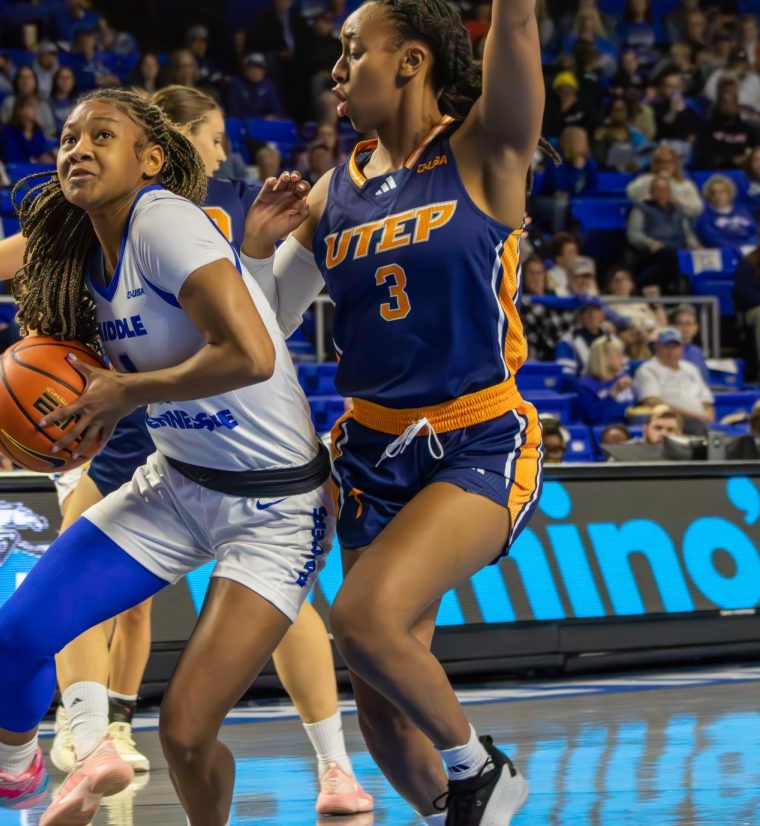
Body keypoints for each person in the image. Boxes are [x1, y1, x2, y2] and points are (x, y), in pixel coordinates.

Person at [0, 88, 338, 826]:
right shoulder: (79, 241)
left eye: (102, 135)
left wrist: (123, 392)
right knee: (17, 636)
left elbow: (254, 354)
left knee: (187, 731)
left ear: (151, 160)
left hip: (274, 505)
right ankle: (11, 767)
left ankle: (326, 767)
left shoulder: (164, 220)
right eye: (69, 137)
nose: (78, 148)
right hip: (176, 482)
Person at [232, 0, 560, 820]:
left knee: (363, 618)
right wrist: (254, 252)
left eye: (353, 51)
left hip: (477, 440)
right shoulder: (328, 193)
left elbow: (517, 31)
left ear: (410, 60)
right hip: (372, 454)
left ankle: (482, 773)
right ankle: (462, 808)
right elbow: (261, 326)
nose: (336, 71)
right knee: (377, 695)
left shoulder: (484, 149)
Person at [41, 84, 369, 815]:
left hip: (217, 425)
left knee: (263, 618)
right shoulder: (121, 208)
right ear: (176, 142)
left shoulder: (218, 210)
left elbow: (260, 330)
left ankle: (102, 734)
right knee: (89, 584)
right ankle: (99, 734)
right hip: (147, 417)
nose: (225, 150)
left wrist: (256, 251)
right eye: (216, 136)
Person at [633, 326, 715, 434]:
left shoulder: (691, 368)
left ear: (682, 349)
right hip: (669, 420)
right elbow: (652, 402)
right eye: (667, 347)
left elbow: (706, 400)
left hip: (699, 420)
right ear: (657, 347)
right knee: (696, 427)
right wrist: (695, 415)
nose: (671, 351)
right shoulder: (648, 369)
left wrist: (708, 415)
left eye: (675, 347)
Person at [627, 176, 699, 294]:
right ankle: (673, 292)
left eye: (665, 189)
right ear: (651, 192)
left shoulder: (677, 209)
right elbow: (634, 234)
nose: (662, 192)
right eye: (658, 189)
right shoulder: (642, 209)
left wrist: (695, 246)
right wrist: (649, 243)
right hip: (654, 252)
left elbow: (687, 233)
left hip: (678, 249)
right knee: (669, 256)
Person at [625, 145, 702, 218]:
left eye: (669, 161)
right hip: (650, 221)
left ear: (675, 164)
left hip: (678, 222)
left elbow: (696, 209)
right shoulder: (645, 179)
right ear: (655, 164)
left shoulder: (686, 184)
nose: (665, 165)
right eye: (660, 162)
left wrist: (676, 201)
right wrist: (654, 181)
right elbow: (631, 194)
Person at [578, 336, 634, 426]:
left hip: (627, 428)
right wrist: (613, 392)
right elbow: (593, 418)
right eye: (618, 354)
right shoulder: (587, 384)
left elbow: (629, 408)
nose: (623, 359)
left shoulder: (623, 377)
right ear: (604, 357)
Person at [696, 174, 756, 252]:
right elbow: (712, 239)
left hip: (748, 250)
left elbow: (753, 232)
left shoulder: (742, 211)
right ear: (709, 195)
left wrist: (749, 246)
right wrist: (738, 248)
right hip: (725, 253)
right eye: (714, 193)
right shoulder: (705, 217)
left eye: (722, 192)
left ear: (729, 192)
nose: (718, 196)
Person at [556, 296, 608, 380]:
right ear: (579, 316)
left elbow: (623, 367)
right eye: (586, 310)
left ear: (602, 314)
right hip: (584, 386)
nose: (592, 314)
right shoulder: (567, 342)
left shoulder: (611, 338)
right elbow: (566, 375)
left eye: (596, 309)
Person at [0, 67, 58, 138]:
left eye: (29, 77)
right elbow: (4, 127)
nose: (26, 81)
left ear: (35, 82)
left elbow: (50, 130)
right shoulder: (9, 102)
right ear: (17, 81)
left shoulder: (43, 104)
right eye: (22, 77)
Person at [226, 53, 285, 120]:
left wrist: (272, 117)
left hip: (264, 125)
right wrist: (261, 118)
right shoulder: (236, 84)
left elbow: (277, 111)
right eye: (251, 68)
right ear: (244, 71)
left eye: (259, 69)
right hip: (242, 124)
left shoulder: (268, 85)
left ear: (264, 71)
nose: (255, 72)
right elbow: (233, 112)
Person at [0, 95, 55, 165]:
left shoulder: (38, 132)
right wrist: (35, 160)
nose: (35, 110)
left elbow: (41, 153)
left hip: (37, 172)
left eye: (36, 106)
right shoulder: (8, 131)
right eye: (31, 106)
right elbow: (11, 157)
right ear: (20, 110)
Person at [671, 303, 708, 381]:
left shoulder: (698, 352)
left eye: (688, 323)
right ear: (673, 327)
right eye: (680, 323)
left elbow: (703, 382)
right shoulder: (666, 350)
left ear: (696, 328)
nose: (684, 327)